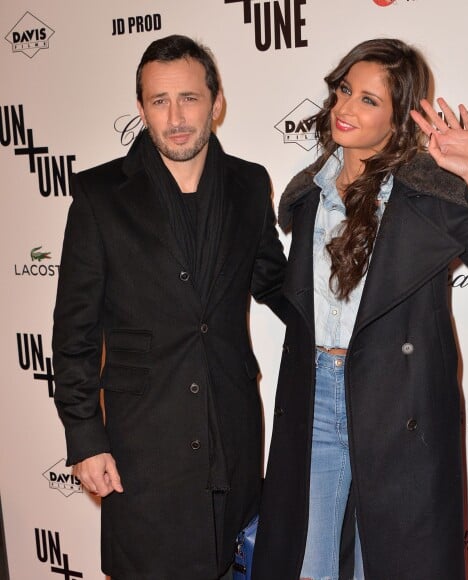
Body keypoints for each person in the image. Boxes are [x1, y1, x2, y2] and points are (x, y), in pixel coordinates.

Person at [252, 38, 468, 580]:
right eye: (344, 90)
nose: (344, 108)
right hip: (312, 395)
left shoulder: (429, 196)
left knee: (384, 566)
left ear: (397, 116)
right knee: (303, 564)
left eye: (367, 100)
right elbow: (292, 296)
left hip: (397, 404)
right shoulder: (308, 195)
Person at [52, 34, 286, 580]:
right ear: (141, 109)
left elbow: (275, 284)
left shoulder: (249, 185)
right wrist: (86, 440)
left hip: (232, 436)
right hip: (143, 446)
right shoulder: (99, 195)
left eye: (189, 98)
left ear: (216, 102)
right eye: (159, 101)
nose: (176, 117)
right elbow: (74, 335)